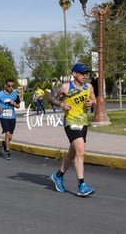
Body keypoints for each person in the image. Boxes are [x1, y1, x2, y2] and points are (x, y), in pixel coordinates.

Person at [49, 63, 97, 197]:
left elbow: (94, 100)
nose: (85, 76)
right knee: (80, 151)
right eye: (82, 73)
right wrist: (61, 104)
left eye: (86, 73)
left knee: (72, 152)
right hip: (70, 122)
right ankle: (81, 185)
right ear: (74, 74)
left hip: (83, 123)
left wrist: (92, 103)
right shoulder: (66, 86)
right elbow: (51, 97)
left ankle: (58, 176)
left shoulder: (89, 87)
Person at [0, 79, 20, 160]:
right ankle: (8, 152)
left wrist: (14, 103)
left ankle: (5, 143)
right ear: (5, 85)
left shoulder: (15, 94)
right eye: (9, 86)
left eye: (12, 86)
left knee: (10, 137)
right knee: (7, 134)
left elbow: (18, 105)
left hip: (12, 117)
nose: (10, 88)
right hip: (3, 117)